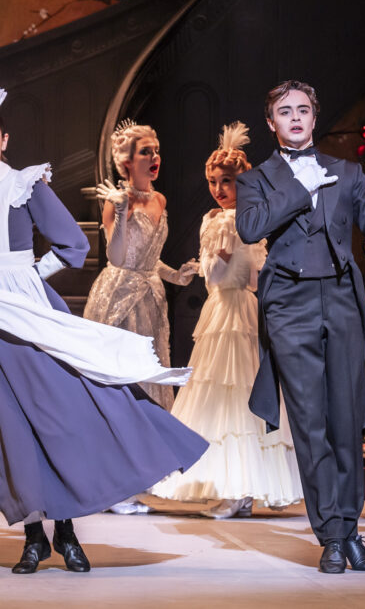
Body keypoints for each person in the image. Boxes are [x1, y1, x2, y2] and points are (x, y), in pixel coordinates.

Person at [0, 84, 207, 574]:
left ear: (5, 141)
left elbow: (73, 245)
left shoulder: (26, 184)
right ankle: (33, 538)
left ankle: (65, 532)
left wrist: (26, 277)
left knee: (58, 418)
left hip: (32, 313)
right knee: (11, 430)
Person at [235, 80, 365, 574]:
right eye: (285, 111)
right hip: (289, 306)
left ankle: (348, 531)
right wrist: (301, 189)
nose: (295, 117)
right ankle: (332, 536)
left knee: (346, 421)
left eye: (303, 109)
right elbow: (251, 228)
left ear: (314, 116)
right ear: (271, 122)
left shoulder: (346, 173)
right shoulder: (256, 179)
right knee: (310, 425)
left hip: (342, 302)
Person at [150, 122, 303, 518]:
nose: (219, 189)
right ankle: (232, 486)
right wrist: (209, 264)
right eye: (213, 182)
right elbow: (215, 275)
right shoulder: (213, 219)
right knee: (216, 394)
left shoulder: (245, 220)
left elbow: (250, 275)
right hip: (219, 311)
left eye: (227, 181)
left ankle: (240, 490)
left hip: (238, 311)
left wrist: (227, 259)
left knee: (238, 393)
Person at [83, 120, 198, 411]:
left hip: (151, 299)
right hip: (119, 297)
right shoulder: (118, 202)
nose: (155, 157)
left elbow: (148, 259)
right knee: (122, 375)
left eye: (156, 151)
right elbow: (117, 258)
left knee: (151, 374)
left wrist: (176, 276)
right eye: (146, 152)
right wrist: (122, 212)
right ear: (128, 162)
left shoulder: (159, 199)